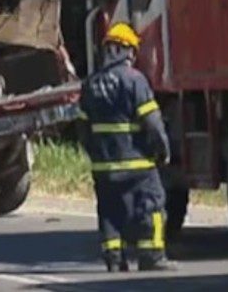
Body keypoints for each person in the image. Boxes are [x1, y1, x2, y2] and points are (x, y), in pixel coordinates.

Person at [77, 22, 176, 273]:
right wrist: (163, 149)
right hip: (137, 165)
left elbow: (83, 131)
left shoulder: (90, 84)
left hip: (104, 167)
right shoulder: (135, 80)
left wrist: (97, 156)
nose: (133, 56)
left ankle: (114, 258)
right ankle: (152, 256)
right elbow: (152, 123)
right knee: (151, 205)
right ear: (125, 50)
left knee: (110, 211)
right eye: (132, 50)